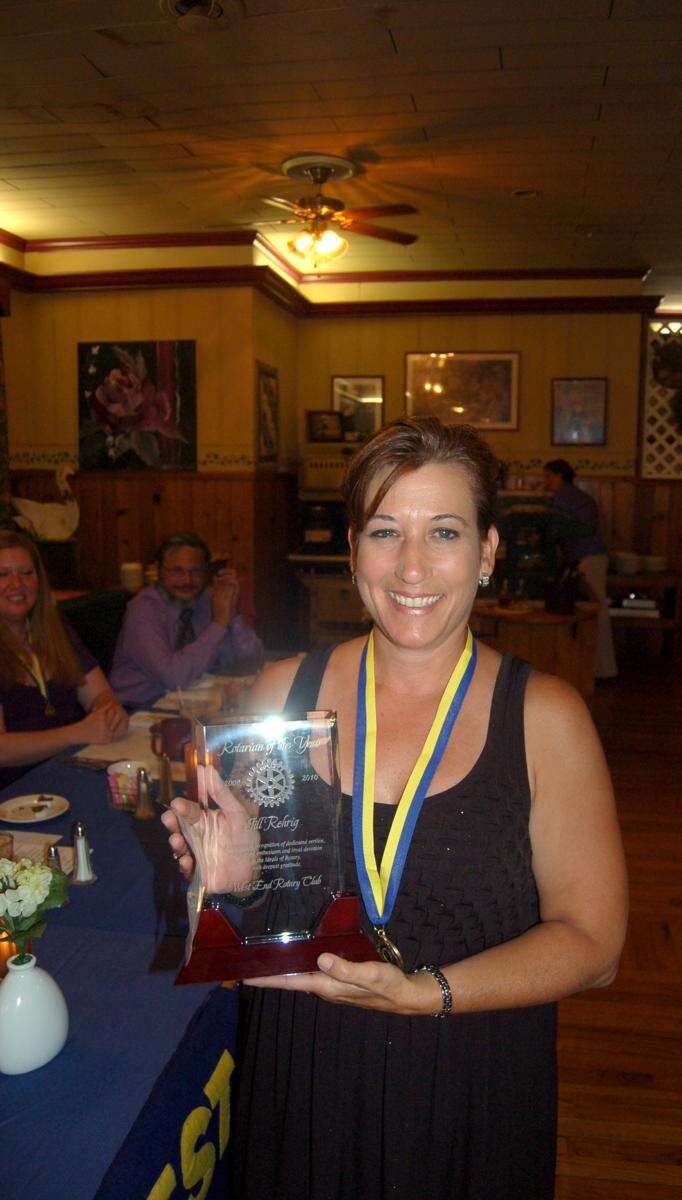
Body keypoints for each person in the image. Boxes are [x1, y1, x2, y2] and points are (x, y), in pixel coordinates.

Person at [163, 418, 628, 1200]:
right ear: (353, 552)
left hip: (468, 1083)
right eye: (385, 532)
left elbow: (594, 944)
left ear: (486, 552)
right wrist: (233, 881)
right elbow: (256, 906)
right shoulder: (281, 695)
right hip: (304, 1077)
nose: (412, 566)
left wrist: (425, 992)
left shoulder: (546, 719)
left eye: (444, 532)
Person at [0, 531, 128, 790]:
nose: (16, 583)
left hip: (68, 775)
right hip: (14, 793)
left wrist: (109, 712)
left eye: (26, 573)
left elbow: (100, 695)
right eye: (3, 574)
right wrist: (78, 733)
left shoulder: (54, 628)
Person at [110, 532, 264, 707]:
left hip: (191, 701)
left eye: (195, 571)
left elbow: (251, 661)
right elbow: (174, 678)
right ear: (159, 571)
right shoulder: (143, 611)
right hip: (141, 707)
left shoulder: (207, 601)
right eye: (177, 571)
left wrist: (232, 612)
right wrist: (218, 625)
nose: (187, 580)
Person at [543, 458, 618, 680]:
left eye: (548, 476)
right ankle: (601, 669)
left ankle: (604, 670)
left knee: (598, 611)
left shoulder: (563, 497)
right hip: (592, 558)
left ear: (559, 476)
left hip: (588, 559)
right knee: (597, 610)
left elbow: (557, 529)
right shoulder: (578, 497)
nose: (546, 481)